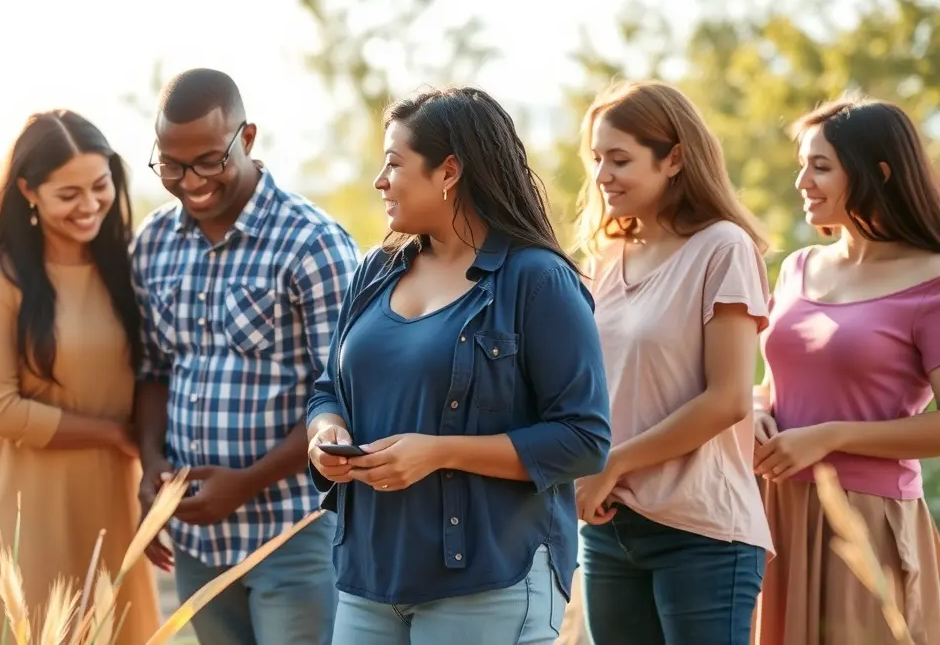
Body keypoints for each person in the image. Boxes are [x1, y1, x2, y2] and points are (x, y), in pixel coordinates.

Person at [306, 86, 612, 645]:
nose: (379, 180)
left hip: (488, 581)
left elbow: (584, 438)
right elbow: (329, 388)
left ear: (448, 171)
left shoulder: (537, 280)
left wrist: (440, 452)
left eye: (394, 163)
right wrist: (327, 434)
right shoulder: (375, 270)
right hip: (366, 578)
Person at [131, 68, 361, 645]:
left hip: (293, 530)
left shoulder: (313, 243)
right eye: (171, 165)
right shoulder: (153, 242)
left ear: (248, 138)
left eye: (209, 160)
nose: (191, 181)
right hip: (197, 538)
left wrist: (248, 482)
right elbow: (154, 371)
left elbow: (346, 392)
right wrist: (150, 463)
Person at [570, 80, 772, 645]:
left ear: (675, 158)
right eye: (596, 159)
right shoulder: (604, 259)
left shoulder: (723, 249)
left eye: (620, 159)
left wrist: (612, 463)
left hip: (702, 530)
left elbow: (729, 398)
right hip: (610, 528)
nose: (602, 174)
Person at [0, 110, 161, 644]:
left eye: (101, 186)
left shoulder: (127, 265)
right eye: (68, 194)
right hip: (28, 499)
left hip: (113, 495)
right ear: (28, 190)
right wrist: (114, 435)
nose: (89, 205)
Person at [752, 97, 940, 645]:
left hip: (866, 523)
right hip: (774, 512)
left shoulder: (931, 282)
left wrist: (830, 438)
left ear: (878, 172)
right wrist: (758, 413)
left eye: (821, 166)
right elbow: (774, 382)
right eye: (801, 165)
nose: (802, 182)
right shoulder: (796, 268)